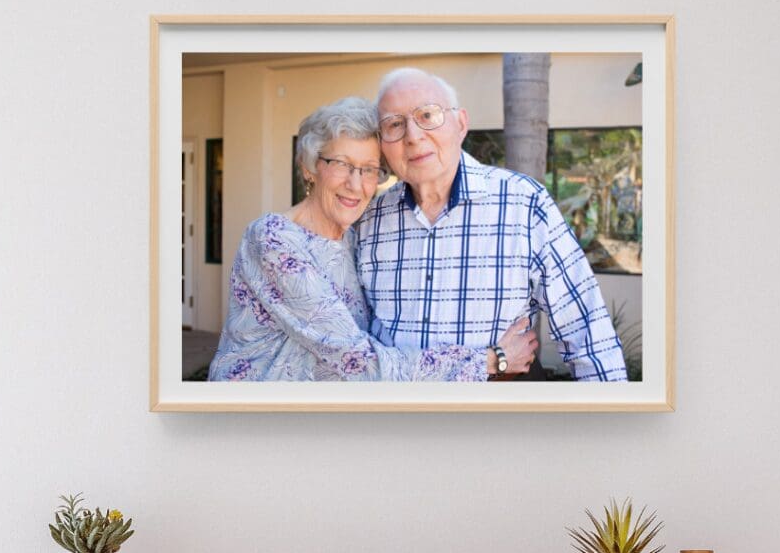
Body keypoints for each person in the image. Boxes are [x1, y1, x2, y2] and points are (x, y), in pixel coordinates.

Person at [209, 97, 536, 382]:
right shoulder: (274, 240)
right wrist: (490, 360)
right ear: (309, 167)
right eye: (341, 164)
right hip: (260, 425)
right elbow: (359, 362)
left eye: (369, 169)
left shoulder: (355, 238)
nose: (356, 184)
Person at [356, 69, 627, 381]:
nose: (413, 136)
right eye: (394, 124)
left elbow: (588, 331)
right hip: (393, 413)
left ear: (461, 124)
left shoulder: (524, 204)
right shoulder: (369, 220)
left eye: (428, 115)